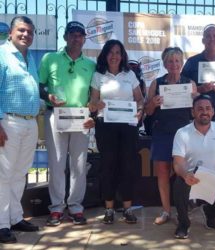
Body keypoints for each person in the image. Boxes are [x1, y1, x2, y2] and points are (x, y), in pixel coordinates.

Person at [39, 21, 96, 226]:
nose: (76, 38)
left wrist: (94, 115)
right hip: (56, 115)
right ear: (65, 37)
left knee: (79, 165)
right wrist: (49, 96)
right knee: (56, 163)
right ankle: (56, 208)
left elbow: (95, 94)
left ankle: (75, 207)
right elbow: (40, 85)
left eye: (80, 35)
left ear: (84, 39)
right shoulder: (50, 59)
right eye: (72, 34)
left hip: (81, 119)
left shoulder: (91, 65)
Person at [88, 39, 144, 224]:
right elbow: (92, 104)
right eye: (110, 52)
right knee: (108, 167)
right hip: (106, 126)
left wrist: (140, 112)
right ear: (105, 54)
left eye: (117, 52)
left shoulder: (130, 75)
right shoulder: (98, 75)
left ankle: (127, 208)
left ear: (122, 55)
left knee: (127, 166)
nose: (114, 56)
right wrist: (97, 104)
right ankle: (109, 209)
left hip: (127, 127)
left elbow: (140, 100)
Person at [172, 94, 215, 239]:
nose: (204, 112)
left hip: (213, 181)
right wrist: (185, 175)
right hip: (190, 179)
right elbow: (177, 162)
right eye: (200, 109)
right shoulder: (182, 132)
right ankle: (184, 224)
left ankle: (210, 213)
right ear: (193, 112)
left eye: (208, 108)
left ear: (213, 112)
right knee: (178, 184)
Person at [144, 47, 197, 225]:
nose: (174, 64)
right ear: (165, 64)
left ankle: (185, 208)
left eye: (177, 61)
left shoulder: (189, 83)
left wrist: (194, 99)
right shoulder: (156, 83)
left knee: (184, 172)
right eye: (170, 61)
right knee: (163, 172)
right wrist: (153, 102)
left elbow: (194, 113)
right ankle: (166, 211)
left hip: (184, 135)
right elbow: (148, 112)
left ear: (181, 64)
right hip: (163, 133)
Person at [0, 16, 40, 244]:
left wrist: (47, 100)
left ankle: (15, 217)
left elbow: (30, 92)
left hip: (30, 122)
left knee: (19, 173)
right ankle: (1, 223)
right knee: (4, 175)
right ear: (11, 33)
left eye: (30, 32)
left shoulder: (29, 58)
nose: (26, 35)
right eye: (22, 31)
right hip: (9, 122)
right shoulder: (2, 55)